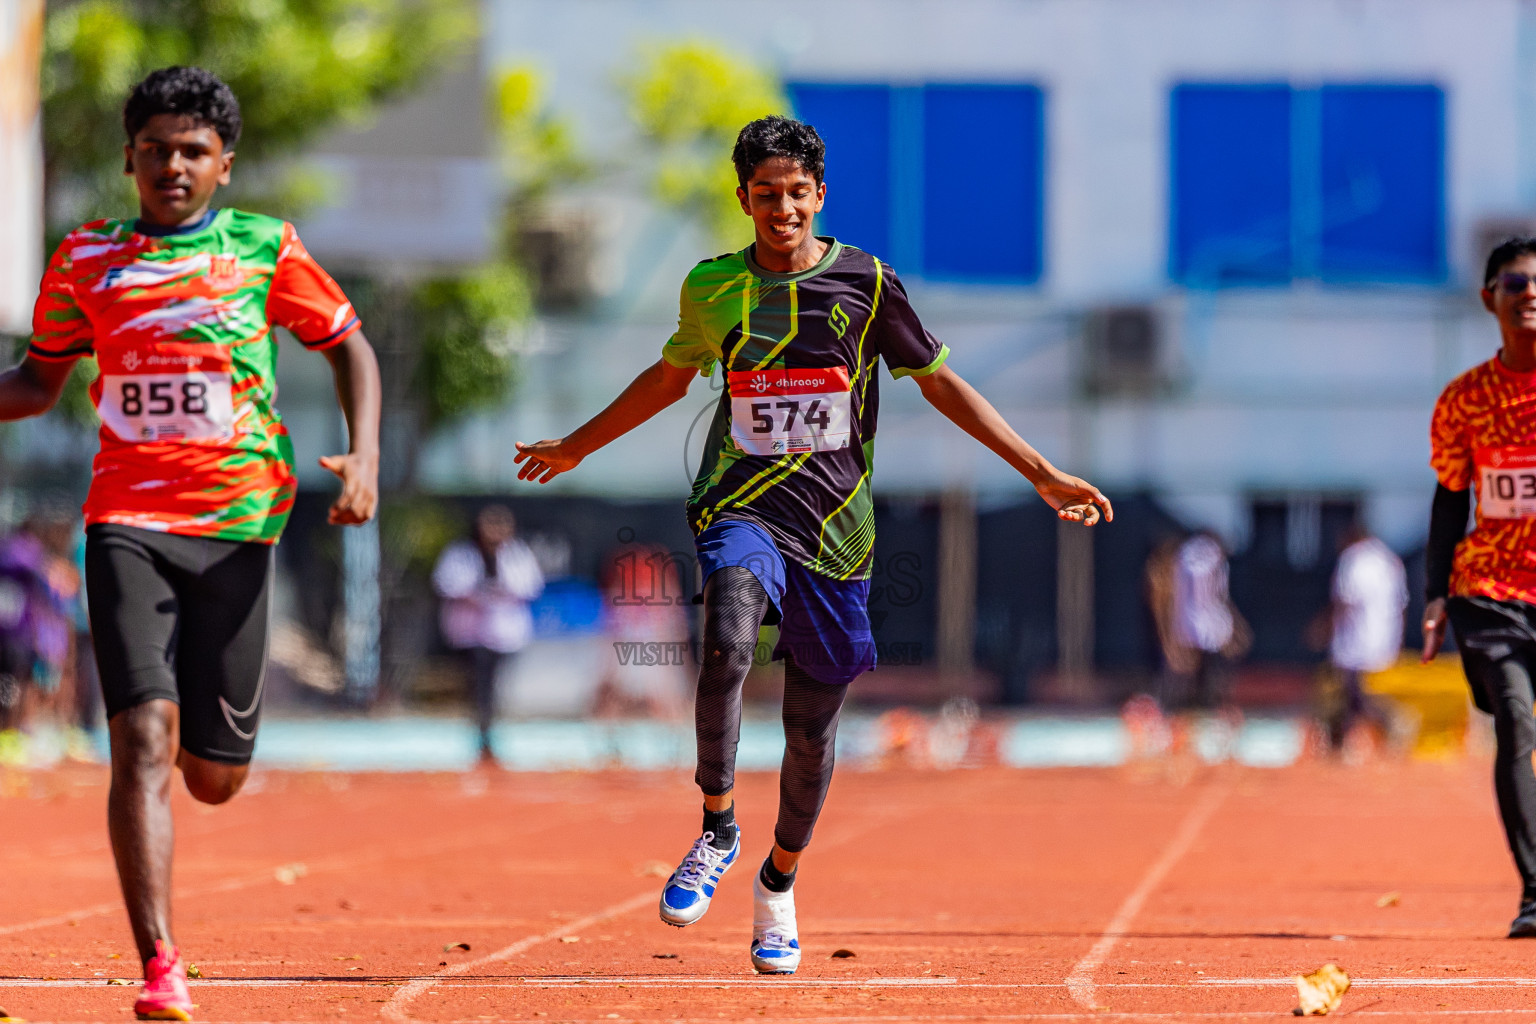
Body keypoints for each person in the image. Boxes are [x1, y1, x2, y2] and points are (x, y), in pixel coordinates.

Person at [513, 115, 1110, 974]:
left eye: (797, 194)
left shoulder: (867, 285)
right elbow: (670, 375)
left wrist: (1041, 471)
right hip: (741, 507)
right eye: (766, 195)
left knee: (810, 726)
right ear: (744, 200)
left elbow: (940, 381)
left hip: (836, 529)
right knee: (724, 640)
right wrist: (578, 443)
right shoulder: (713, 288)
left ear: (819, 196)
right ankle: (717, 827)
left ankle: (778, 883)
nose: (782, 208)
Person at [17, 67, 380, 1017]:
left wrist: (366, 455)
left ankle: (200, 744)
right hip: (127, 522)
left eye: (192, 151)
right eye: (155, 150)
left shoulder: (264, 247)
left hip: (239, 526)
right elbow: (35, 382)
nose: (172, 165)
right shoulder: (86, 260)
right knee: (140, 739)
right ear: (129, 157)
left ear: (224, 163)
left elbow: (348, 344)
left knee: (213, 779)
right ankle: (161, 965)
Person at [1424, 236, 1536, 939]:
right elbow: (1448, 499)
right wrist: (1435, 594)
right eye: (1516, 281)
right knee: (1518, 720)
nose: (1531, 294)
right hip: (1490, 590)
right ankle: (1535, 892)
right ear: (1489, 296)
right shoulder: (1465, 400)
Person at [431, 504, 544, 764]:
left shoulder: (518, 554)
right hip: (471, 634)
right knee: (479, 686)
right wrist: (475, 594)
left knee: (494, 687)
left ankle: (489, 732)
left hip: (506, 635)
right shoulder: (461, 553)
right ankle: (482, 735)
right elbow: (446, 584)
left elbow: (530, 586)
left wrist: (500, 591)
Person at [1321, 520, 1406, 751]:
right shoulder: (1388, 559)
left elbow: (1345, 599)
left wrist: (1325, 628)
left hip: (1354, 638)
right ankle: (1341, 741)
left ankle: (1390, 721)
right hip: (1383, 635)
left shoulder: (1353, 559)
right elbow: (1402, 603)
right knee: (1353, 692)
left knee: (1351, 691)